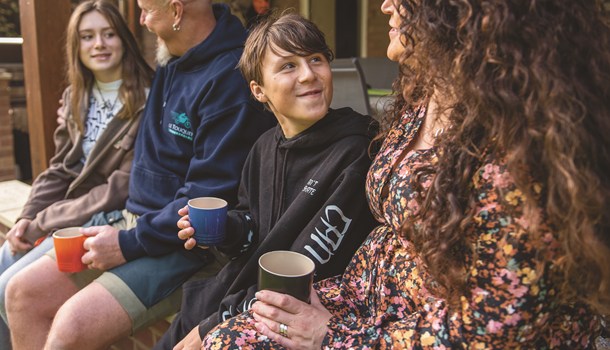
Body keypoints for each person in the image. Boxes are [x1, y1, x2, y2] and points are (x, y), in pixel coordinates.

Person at [203, 0, 610, 348]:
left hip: (429, 330)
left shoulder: (523, 138)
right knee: (225, 339)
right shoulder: (430, 93)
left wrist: (334, 336)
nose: (384, 6)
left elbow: (493, 325)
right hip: (365, 297)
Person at [5, 0, 276, 349]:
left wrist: (125, 243)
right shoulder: (171, 60)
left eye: (146, 10)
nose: (143, 22)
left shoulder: (230, 80)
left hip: (187, 246)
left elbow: (205, 200)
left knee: (70, 328)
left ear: (176, 12)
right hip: (133, 222)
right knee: (20, 293)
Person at [155, 11, 379, 349]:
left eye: (316, 59)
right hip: (226, 298)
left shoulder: (356, 152)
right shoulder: (264, 146)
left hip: (281, 316)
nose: (309, 75)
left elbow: (298, 276)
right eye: (288, 66)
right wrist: (225, 230)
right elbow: (252, 225)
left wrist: (210, 326)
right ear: (258, 90)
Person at [0, 0, 153, 348]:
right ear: (77, 46)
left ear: (124, 40)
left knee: (12, 289)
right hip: (73, 209)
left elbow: (119, 187)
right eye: (87, 36)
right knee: (5, 261)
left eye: (108, 34)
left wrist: (45, 220)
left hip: (108, 217)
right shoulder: (77, 96)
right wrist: (27, 216)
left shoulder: (148, 98)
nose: (98, 44)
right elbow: (61, 168)